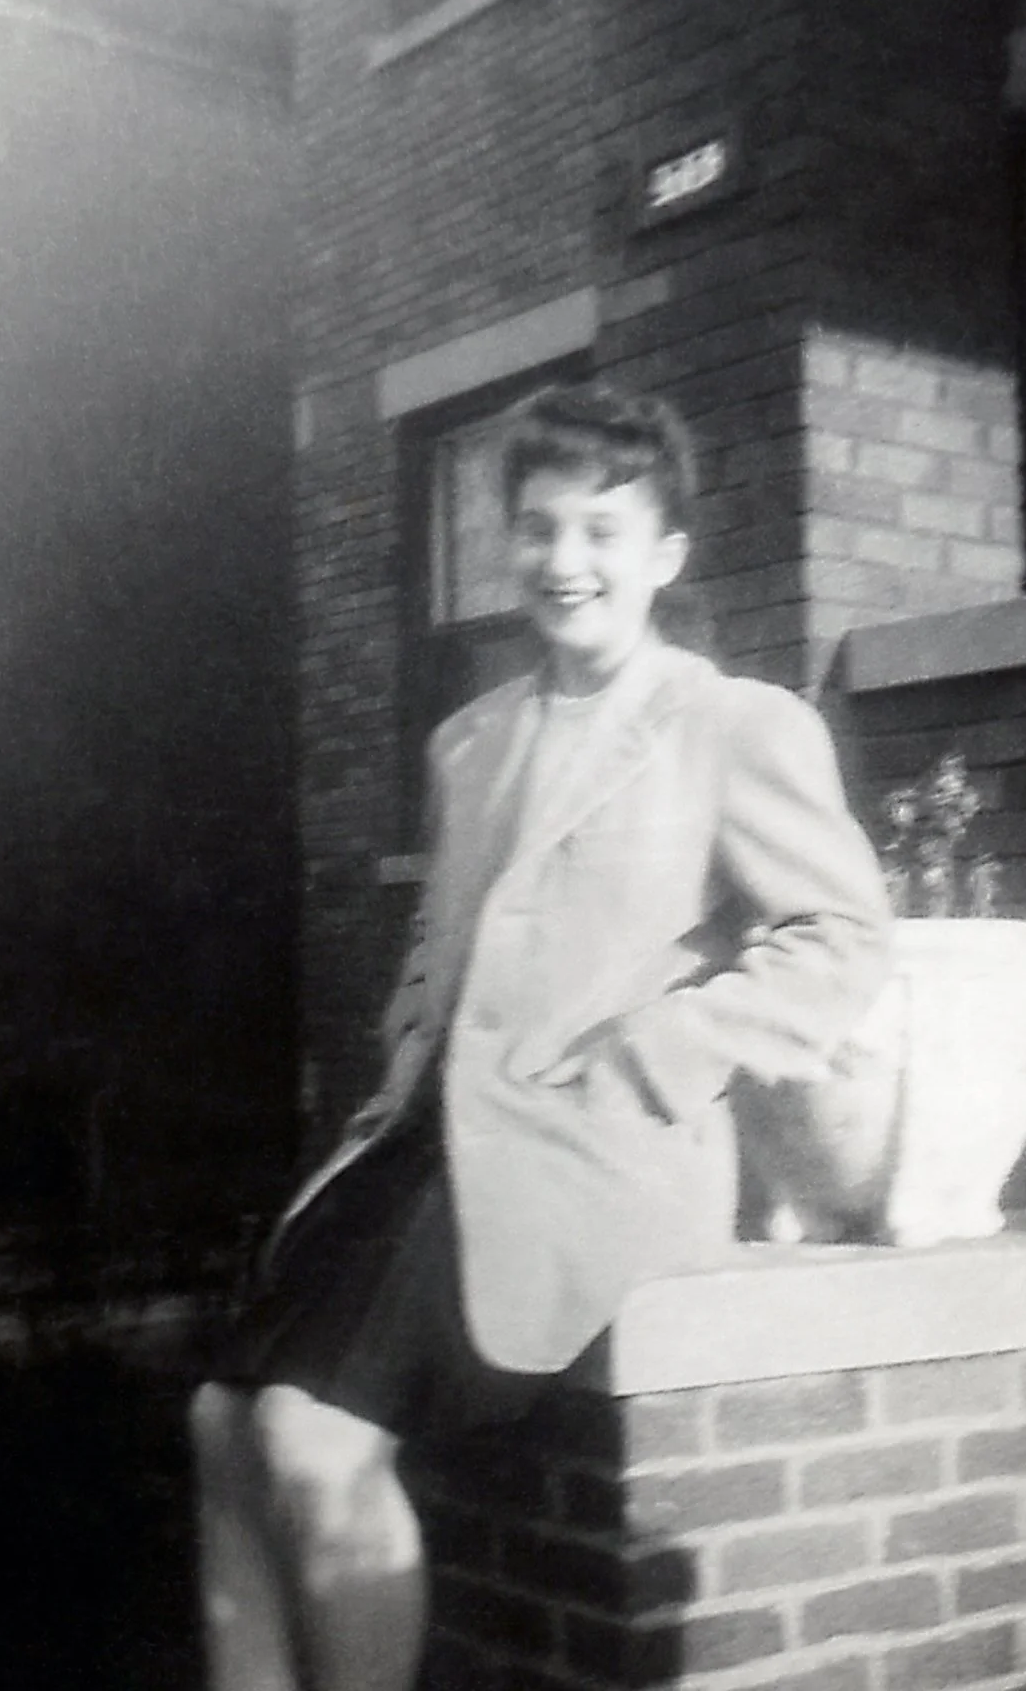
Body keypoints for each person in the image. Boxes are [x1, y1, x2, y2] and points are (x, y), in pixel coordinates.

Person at [189, 380, 893, 1691]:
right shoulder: (472, 741)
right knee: (220, 1429)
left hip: (579, 1157)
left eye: (600, 531)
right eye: (536, 527)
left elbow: (844, 939)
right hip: (422, 1150)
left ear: (664, 554)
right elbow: (437, 945)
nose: (563, 561)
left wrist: (660, 1050)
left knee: (309, 1443)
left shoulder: (731, 727)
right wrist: (404, 1049)